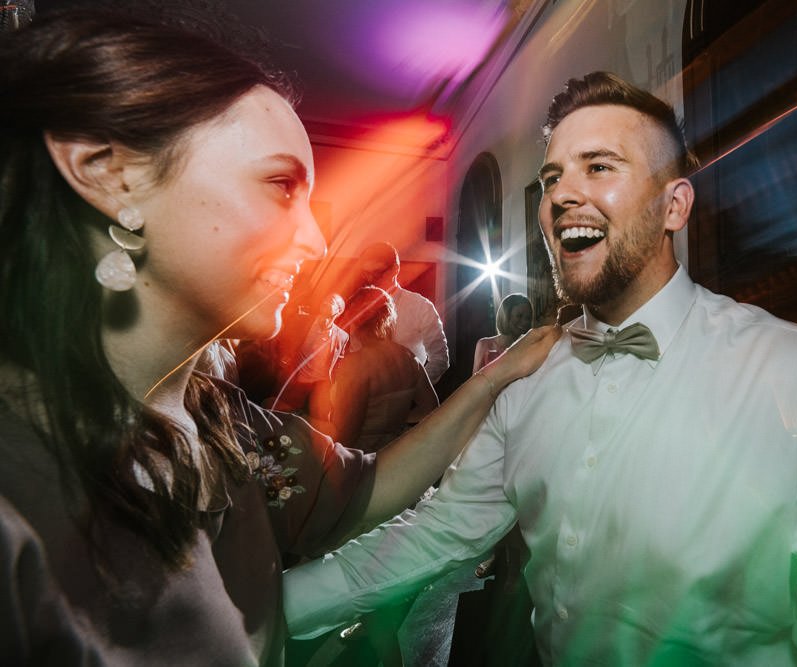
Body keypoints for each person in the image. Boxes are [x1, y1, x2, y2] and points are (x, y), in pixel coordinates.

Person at [284, 72, 797, 665]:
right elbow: (431, 536)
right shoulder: (525, 379)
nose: (563, 193)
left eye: (600, 166)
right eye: (553, 176)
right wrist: (256, 614)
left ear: (673, 205)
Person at [0, 10, 558, 666]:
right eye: (278, 184)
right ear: (107, 172)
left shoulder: (224, 423)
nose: (315, 242)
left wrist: (492, 379)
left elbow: (366, 487)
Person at [309, 287, 438, 454]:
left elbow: (348, 431)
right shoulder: (408, 357)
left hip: (361, 456)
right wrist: (395, 422)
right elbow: (431, 407)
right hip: (394, 453)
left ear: (355, 318)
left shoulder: (357, 363)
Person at [359, 241, 450, 385]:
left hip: (409, 397)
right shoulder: (359, 308)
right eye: (366, 274)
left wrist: (414, 391)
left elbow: (440, 359)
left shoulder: (421, 307)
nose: (371, 280)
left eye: (378, 273)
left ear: (395, 269)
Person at [472, 293, 534, 374]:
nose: (525, 322)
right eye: (519, 316)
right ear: (506, 315)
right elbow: (474, 380)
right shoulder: (484, 344)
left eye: (528, 318)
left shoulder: (527, 347)